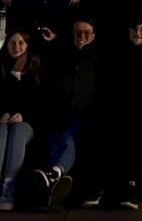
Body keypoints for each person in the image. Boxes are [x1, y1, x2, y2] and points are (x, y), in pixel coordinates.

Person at [32, 16, 102, 209]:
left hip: (85, 115)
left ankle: (54, 174)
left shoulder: (98, 59)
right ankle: (53, 185)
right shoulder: (61, 55)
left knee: (68, 139)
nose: (82, 37)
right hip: (60, 113)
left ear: (93, 35)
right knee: (56, 140)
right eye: (78, 33)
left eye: (86, 33)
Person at [100, 14, 142, 209]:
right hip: (121, 112)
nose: (138, 33)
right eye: (135, 29)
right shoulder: (117, 56)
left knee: (141, 142)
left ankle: (132, 186)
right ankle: (112, 187)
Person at [0, 29, 42, 211]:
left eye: (20, 43)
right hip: (2, 119)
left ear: (27, 44)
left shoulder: (34, 65)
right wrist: (1, 114)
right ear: (6, 45)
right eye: (12, 43)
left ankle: (9, 185)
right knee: (1, 131)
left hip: (27, 121)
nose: (16, 47)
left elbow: (40, 102)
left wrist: (24, 115)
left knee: (18, 130)